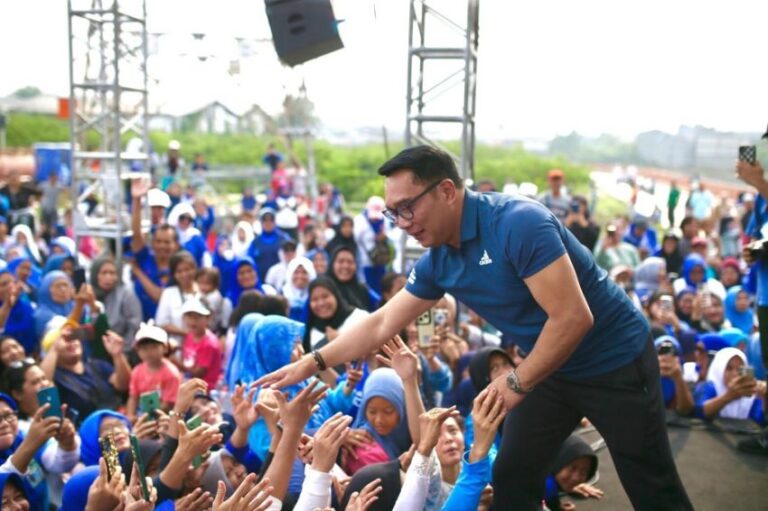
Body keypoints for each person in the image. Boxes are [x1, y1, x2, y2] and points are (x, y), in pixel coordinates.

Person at [257, 145, 693, 510]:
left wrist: (515, 384)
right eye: (394, 214)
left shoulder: (518, 223)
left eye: (408, 207)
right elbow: (381, 322)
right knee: (513, 475)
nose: (403, 224)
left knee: (649, 482)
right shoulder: (437, 261)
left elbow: (574, 318)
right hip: (552, 367)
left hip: (613, 360)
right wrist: (312, 362)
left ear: (447, 191)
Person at [125, 322, 181, 422]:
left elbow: (168, 404)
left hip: (164, 417)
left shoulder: (171, 373)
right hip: (141, 413)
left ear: (164, 348)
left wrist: (145, 418)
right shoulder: (137, 371)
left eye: (154, 347)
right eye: (144, 348)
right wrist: (130, 416)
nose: (149, 352)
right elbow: (133, 397)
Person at [89, 257, 143, 346]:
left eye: (112, 273)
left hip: (121, 348)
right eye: (104, 273)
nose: (108, 277)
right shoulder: (88, 294)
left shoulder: (126, 295)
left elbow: (134, 326)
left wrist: (123, 350)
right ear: (95, 274)